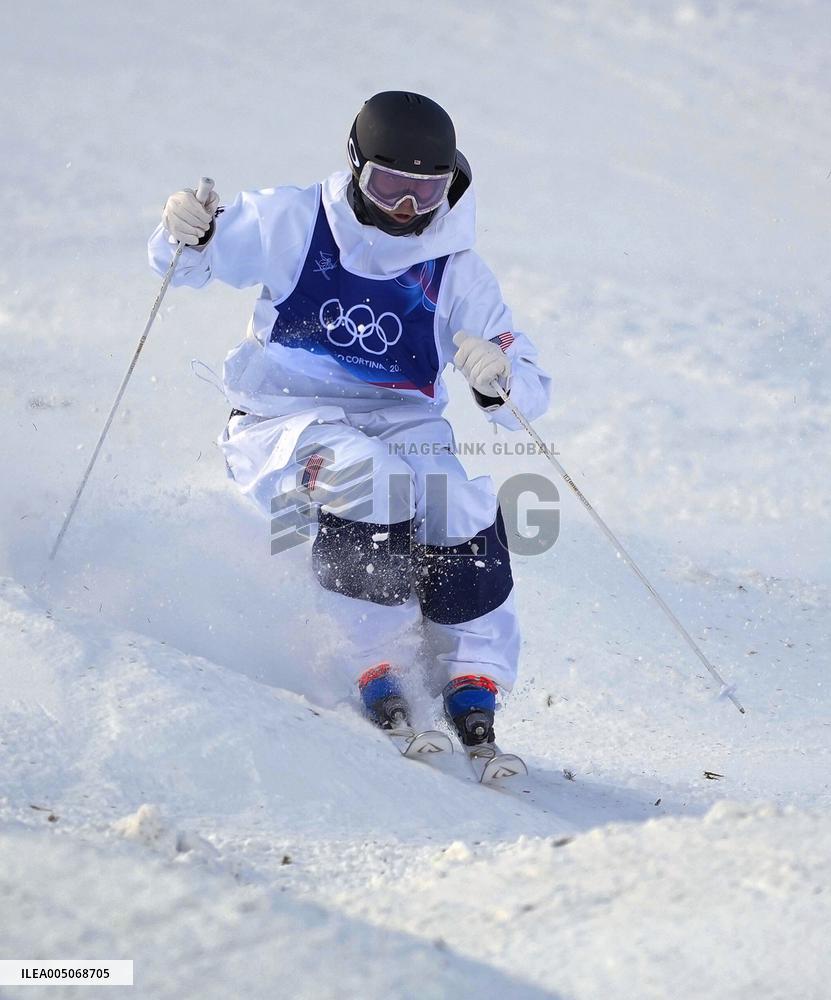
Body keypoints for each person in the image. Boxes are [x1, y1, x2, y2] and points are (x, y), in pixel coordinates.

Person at [148, 91, 551, 748]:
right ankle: (369, 657)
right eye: (389, 185)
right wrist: (184, 232)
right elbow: (190, 261)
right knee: (372, 480)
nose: (406, 208)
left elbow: (524, 381)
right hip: (285, 416)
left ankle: (470, 670)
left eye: (426, 191)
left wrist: (497, 378)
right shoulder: (294, 219)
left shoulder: (455, 268)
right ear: (356, 166)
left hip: (402, 418)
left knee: (454, 498)